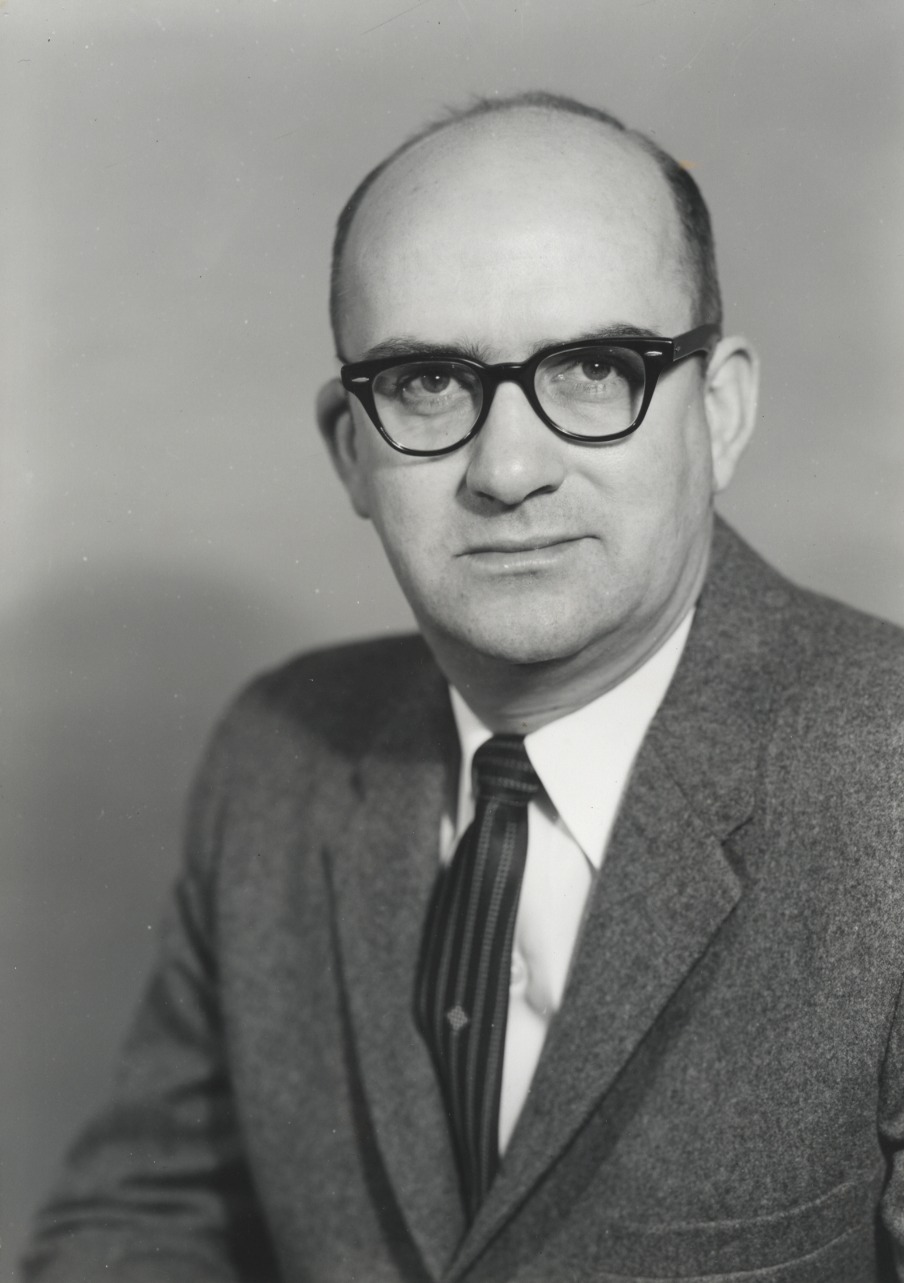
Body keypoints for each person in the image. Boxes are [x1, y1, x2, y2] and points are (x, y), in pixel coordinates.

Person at [22, 91, 904, 1283]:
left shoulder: (884, 784)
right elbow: (145, 1218)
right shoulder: (276, 754)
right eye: (427, 382)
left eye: (593, 368)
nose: (508, 467)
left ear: (720, 411)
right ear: (352, 450)